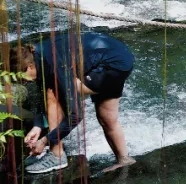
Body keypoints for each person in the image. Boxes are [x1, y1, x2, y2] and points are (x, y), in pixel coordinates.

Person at [15, 31, 136, 174]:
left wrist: (44, 141)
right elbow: (43, 102)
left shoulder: (53, 63)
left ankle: (57, 156)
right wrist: (37, 126)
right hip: (118, 57)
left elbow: (76, 115)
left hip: (111, 64)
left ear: (29, 66)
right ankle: (125, 160)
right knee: (106, 117)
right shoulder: (37, 55)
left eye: (22, 78)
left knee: (53, 93)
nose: (23, 83)